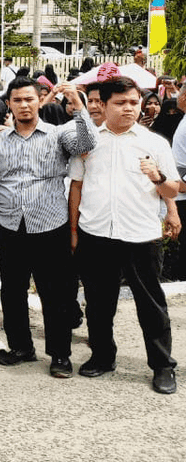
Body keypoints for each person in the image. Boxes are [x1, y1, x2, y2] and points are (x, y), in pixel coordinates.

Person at [0, 76, 95, 378]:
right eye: (17, 100)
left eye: (29, 99)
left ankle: (60, 355)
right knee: (13, 291)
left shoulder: (57, 135)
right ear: (9, 104)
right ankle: (21, 348)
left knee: (54, 294)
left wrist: (78, 107)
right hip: (9, 226)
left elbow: (86, 144)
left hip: (49, 224)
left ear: (39, 100)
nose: (24, 105)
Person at [70, 77, 180, 393]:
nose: (130, 108)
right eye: (121, 103)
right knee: (99, 303)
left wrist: (156, 176)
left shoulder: (154, 143)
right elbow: (76, 186)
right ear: (102, 106)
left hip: (140, 237)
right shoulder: (88, 143)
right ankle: (103, 357)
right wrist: (74, 231)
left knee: (151, 305)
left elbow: (171, 188)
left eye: (134, 102)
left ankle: (162, 366)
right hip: (97, 235)